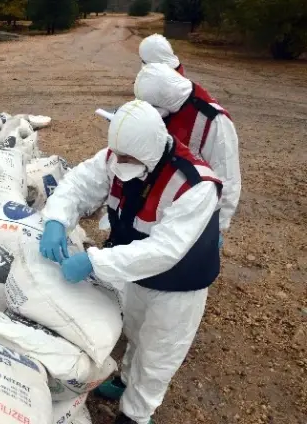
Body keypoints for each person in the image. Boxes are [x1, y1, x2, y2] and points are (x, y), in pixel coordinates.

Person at [39, 100, 222, 424]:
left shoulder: (194, 184)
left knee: (158, 354)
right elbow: (79, 184)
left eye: (128, 159)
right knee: (136, 331)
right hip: (133, 271)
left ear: (152, 150)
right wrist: (56, 219)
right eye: (118, 155)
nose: (119, 163)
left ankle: (136, 413)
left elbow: (165, 250)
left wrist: (93, 261)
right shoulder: (117, 157)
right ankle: (125, 379)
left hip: (179, 285)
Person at [134, 63, 241, 239]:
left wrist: (217, 226)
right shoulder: (164, 104)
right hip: (160, 199)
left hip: (194, 204)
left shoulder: (214, 121)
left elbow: (228, 178)